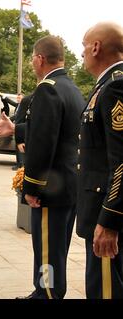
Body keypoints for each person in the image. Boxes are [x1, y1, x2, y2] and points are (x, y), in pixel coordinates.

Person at [16, 36, 85, 299]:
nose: (33, 62)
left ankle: (46, 293)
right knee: (57, 248)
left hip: (50, 189)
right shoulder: (71, 87)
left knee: (47, 248)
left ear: (40, 59)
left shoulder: (48, 88)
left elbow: (43, 142)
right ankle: (51, 291)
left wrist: (31, 187)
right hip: (68, 185)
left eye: (33, 58)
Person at [77, 22, 123, 299]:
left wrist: (109, 221)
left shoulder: (115, 87)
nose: (81, 53)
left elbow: (121, 160)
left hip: (107, 212)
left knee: (105, 290)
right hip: (101, 207)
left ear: (95, 47)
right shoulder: (105, 85)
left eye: (83, 46)